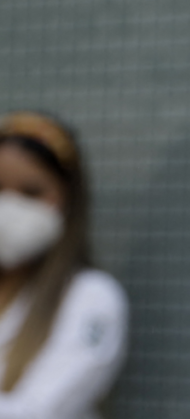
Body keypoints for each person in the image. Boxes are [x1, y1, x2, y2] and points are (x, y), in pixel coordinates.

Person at [0, 112, 128, 419]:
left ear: (68, 199)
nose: (9, 205)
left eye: (31, 192)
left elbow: (39, 411)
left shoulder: (93, 297)